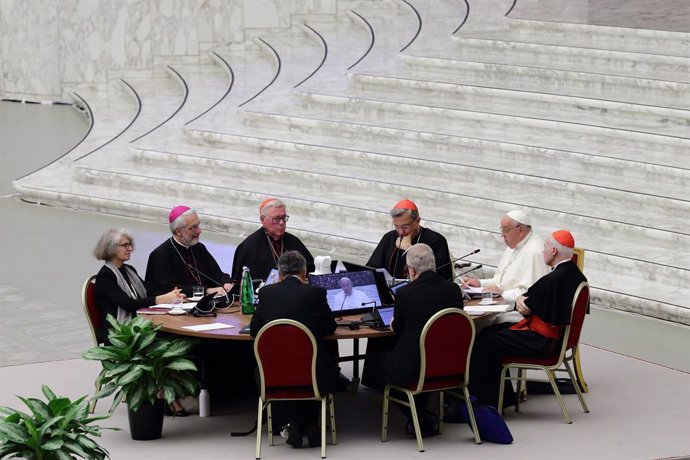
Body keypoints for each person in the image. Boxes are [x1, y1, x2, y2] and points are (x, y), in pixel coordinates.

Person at [469, 230, 587, 408]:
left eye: (546, 247)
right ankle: (504, 397)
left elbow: (525, 307)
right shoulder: (576, 274)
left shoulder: (552, 279)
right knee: (490, 332)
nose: (542, 251)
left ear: (554, 251)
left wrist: (520, 300)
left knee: (482, 341)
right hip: (556, 340)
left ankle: (486, 402)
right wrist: (521, 300)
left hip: (542, 342)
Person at [364, 244, 463, 437]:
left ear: (412, 270)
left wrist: (395, 322)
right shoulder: (453, 290)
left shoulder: (405, 294)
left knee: (378, 363)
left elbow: (397, 330)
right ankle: (422, 416)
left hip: (416, 367)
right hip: (449, 363)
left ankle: (418, 416)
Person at [250, 251, 341, 449]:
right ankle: (309, 424)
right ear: (305, 272)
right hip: (314, 375)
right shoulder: (316, 293)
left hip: (273, 376)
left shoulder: (266, 293)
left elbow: (255, 331)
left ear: (280, 275)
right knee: (313, 364)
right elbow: (330, 329)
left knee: (285, 368)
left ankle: (292, 423)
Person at [92, 228, 188, 416]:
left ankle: (167, 391)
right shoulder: (105, 277)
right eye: (125, 245)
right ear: (111, 248)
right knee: (167, 339)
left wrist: (171, 297)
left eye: (130, 245)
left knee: (176, 337)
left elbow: (146, 294)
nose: (130, 249)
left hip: (138, 326)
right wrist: (160, 300)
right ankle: (166, 394)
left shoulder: (129, 270)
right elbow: (129, 305)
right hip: (120, 335)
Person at [464, 210, 549, 323]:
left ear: (520, 230)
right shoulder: (513, 246)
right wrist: (480, 283)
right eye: (501, 229)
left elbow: (531, 294)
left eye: (506, 229)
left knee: (477, 324)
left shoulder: (536, 252)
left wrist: (502, 294)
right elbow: (500, 282)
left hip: (518, 313)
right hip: (501, 305)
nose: (502, 235)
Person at [145, 205, 233, 297]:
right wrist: (206, 290)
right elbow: (167, 289)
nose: (199, 231)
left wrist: (226, 283)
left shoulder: (199, 248)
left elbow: (217, 275)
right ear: (178, 231)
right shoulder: (160, 255)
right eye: (193, 227)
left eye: (198, 225)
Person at [367, 199, 453, 280]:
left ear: (418, 220)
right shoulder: (389, 237)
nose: (400, 232)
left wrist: (410, 249)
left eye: (405, 227)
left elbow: (439, 278)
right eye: (396, 226)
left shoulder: (436, 240)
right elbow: (371, 269)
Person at [232, 198, 314, 282]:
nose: (282, 223)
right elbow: (240, 284)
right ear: (262, 220)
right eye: (276, 219)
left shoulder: (293, 241)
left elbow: (311, 270)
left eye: (284, 218)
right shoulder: (248, 247)